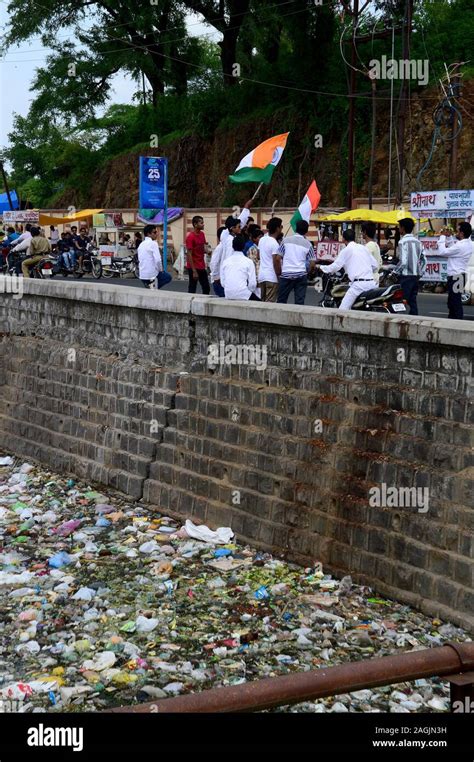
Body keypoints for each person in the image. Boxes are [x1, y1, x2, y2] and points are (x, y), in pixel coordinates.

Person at [319, 228, 379, 310]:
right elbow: (375, 265)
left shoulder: (346, 250)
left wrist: (322, 268)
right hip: (372, 283)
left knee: (342, 310)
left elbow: (335, 266)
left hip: (359, 286)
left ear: (343, 239)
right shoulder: (363, 248)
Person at [438, 221, 473, 320]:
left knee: (455, 302)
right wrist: (449, 237)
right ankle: (453, 319)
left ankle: (457, 321)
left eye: (457, 231)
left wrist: (442, 237)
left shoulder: (460, 246)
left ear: (462, 233)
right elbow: (453, 247)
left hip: (456, 276)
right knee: (452, 301)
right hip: (459, 275)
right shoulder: (468, 243)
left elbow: (442, 252)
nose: (456, 233)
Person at [277, 220, 316, 305]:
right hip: (301, 275)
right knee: (299, 302)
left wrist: (280, 271)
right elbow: (312, 263)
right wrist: (308, 272)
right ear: (306, 231)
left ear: (296, 229)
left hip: (286, 274)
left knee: (281, 301)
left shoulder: (285, 241)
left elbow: (278, 258)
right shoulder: (308, 244)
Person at [393, 218, 426, 315]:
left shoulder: (402, 242)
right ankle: (414, 319)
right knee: (412, 300)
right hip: (415, 276)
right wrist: (421, 273)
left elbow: (403, 261)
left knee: (402, 300)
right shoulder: (418, 242)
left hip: (406, 276)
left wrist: (395, 272)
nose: (399, 229)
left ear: (402, 228)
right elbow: (424, 260)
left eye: (399, 227)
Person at [221, 234, 260, 301]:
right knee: (260, 303)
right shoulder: (248, 262)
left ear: (232, 246)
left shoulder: (225, 262)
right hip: (243, 293)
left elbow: (223, 282)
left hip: (228, 294)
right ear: (244, 246)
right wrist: (247, 290)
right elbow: (252, 284)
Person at [137, 224, 171, 289]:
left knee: (150, 290)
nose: (156, 234)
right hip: (152, 275)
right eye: (154, 232)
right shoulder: (153, 243)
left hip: (142, 275)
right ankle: (153, 287)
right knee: (168, 277)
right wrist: (161, 270)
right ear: (149, 234)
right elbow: (158, 260)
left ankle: (152, 287)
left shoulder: (141, 244)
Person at [258, 217, 283, 302]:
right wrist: (279, 274)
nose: (282, 229)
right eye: (281, 227)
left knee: (263, 302)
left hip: (261, 276)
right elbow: (276, 261)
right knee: (270, 303)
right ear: (277, 228)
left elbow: (258, 255)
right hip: (271, 277)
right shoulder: (274, 243)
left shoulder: (262, 239)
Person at [185, 215, 210, 295]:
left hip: (201, 265)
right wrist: (194, 271)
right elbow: (189, 254)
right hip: (193, 267)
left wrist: (208, 251)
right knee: (192, 288)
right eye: (201, 223)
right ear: (195, 224)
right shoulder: (190, 237)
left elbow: (203, 247)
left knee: (206, 287)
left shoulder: (202, 234)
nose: (203, 224)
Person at [210, 226, 226, 297]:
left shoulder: (226, 246)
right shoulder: (220, 248)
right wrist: (216, 277)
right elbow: (214, 263)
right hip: (218, 281)